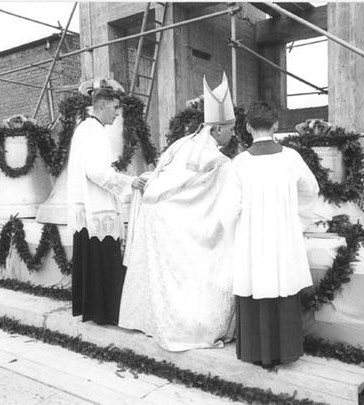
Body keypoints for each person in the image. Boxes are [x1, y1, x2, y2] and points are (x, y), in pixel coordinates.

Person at [119, 73, 236, 351]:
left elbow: (160, 177)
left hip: (158, 217)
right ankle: (193, 326)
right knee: (198, 270)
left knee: (172, 278)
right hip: (177, 221)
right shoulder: (218, 160)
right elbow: (221, 202)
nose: (233, 133)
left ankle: (158, 323)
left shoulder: (183, 143)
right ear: (217, 128)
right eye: (230, 128)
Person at [219, 102, 319, 368]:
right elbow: (311, 191)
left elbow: (228, 209)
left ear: (249, 127)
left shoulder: (239, 163)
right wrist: (296, 223)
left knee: (255, 283)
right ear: (275, 125)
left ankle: (255, 351)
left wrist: (237, 236)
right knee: (282, 283)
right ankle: (285, 352)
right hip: (283, 237)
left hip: (252, 240)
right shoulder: (291, 158)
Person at [67, 87, 145, 326]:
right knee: (102, 260)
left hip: (87, 208)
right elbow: (96, 171)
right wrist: (129, 181)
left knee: (92, 261)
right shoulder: (96, 131)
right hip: (97, 206)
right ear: (101, 106)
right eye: (114, 108)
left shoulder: (83, 128)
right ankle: (106, 313)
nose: (116, 113)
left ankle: (94, 311)